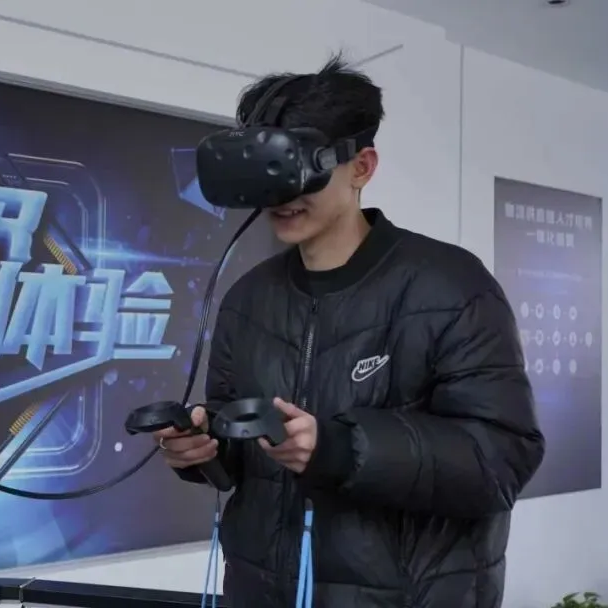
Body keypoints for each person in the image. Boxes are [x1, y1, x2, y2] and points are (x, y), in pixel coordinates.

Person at [154, 55, 545, 608]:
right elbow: (236, 458)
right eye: (269, 168)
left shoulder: (450, 286)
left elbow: (501, 460)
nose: (283, 193)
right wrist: (202, 452)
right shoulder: (247, 300)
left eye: (300, 167)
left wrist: (341, 448)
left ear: (361, 167)